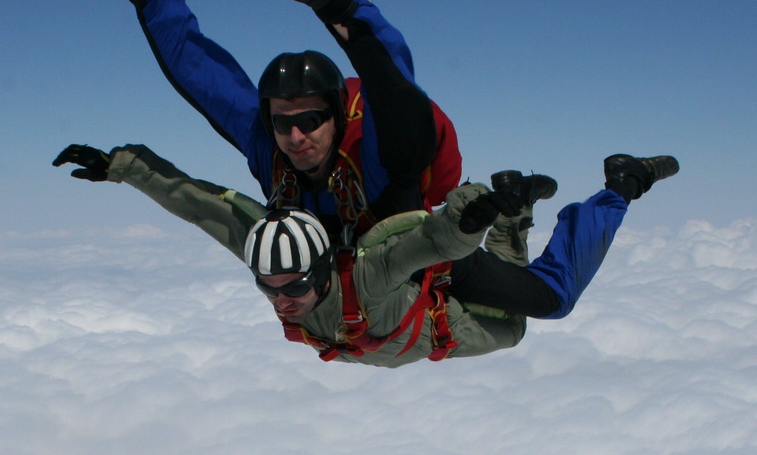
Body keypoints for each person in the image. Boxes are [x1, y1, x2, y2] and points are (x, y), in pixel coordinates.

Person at [53, 143, 679, 368]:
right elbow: (201, 206)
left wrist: (473, 213)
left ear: (323, 268)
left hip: (440, 278)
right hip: (422, 311)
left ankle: (620, 185)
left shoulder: (368, 275)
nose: (281, 299)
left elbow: (428, 242)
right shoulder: (272, 250)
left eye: (292, 286)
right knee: (511, 317)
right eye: (268, 288)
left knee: (548, 305)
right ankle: (514, 206)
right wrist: (123, 167)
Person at [114, 0, 461, 239]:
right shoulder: (269, 151)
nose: (295, 137)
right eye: (282, 123)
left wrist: (336, 7)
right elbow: (198, 72)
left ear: (337, 117)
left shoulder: (372, 157)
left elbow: (394, 91)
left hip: (409, 298)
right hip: (318, 302)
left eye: (310, 120)